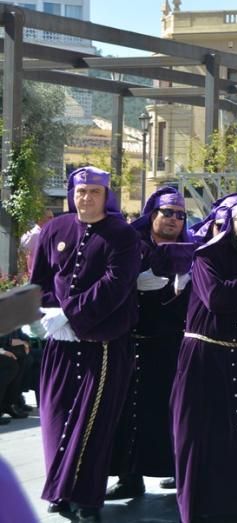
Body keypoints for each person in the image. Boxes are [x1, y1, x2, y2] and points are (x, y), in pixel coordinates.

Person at [30, 167, 141, 522]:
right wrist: (47, 312)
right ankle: (61, 490)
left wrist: (71, 314)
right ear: (71, 193)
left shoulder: (122, 235)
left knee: (92, 424)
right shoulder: (55, 229)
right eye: (81, 191)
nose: (86, 198)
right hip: (60, 343)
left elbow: (115, 284)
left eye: (94, 192)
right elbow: (41, 279)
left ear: (106, 195)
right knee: (56, 419)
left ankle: (88, 499)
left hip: (103, 343)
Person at [171, 197, 237, 523]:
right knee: (203, 437)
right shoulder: (207, 256)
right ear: (232, 222)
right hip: (205, 358)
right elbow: (216, 298)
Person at [108, 188, 196, 500]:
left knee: (170, 413)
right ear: (153, 214)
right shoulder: (133, 245)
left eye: (180, 215)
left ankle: (178, 473)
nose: (173, 219)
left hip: (171, 346)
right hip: (130, 342)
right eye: (167, 213)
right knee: (126, 413)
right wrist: (131, 284)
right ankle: (128, 477)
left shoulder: (192, 249)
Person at [19, 208, 54, 276]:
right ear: (40, 219)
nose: (53, 220)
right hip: (35, 275)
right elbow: (22, 254)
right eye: (50, 217)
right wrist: (23, 273)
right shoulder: (34, 234)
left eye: (53, 217)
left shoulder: (48, 233)